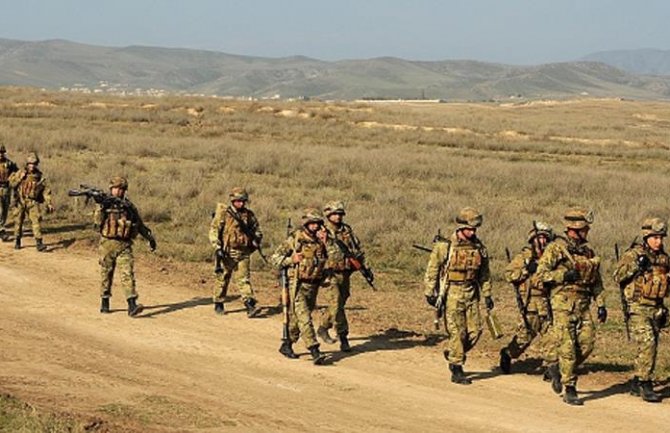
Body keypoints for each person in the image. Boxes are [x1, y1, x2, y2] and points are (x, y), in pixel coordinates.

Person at [536, 207, 606, 406]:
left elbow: (597, 281)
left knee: (587, 343)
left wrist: (601, 304)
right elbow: (540, 275)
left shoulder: (587, 251)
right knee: (567, 347)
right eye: (585, 228)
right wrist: (562, 276)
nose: (587, 232)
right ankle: (570, 387)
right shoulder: (556, 248)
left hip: (583, 304)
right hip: (562, 304)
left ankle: (557, 369)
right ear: (575, 228)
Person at [423, 207, 494, 385]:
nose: (472, 232)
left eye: (474, 229)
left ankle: (455, 352)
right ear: (460, 228)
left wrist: (487, 294)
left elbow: (484, 273)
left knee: (475, 331)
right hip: (452, 293)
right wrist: (430, 291)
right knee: (457, 332)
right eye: (469, 229)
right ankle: (456, 367)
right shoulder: (445, 246)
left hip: (471, 293)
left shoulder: (479, 247)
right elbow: (432, 269)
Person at [613, 217, 668, 403]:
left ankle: (637, 381)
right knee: (647, 343)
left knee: (651, 346)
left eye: (661, 238)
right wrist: (637, 266)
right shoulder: (634, 254)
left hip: (656, 308)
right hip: (637, 307)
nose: (659, 241)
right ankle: (645, 384)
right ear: (646, 237)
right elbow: (617, 276)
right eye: (655, 237)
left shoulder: (663, 257)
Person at [271, 208, 330, 365]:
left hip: (313, 285)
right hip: (296, 285)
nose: (315, 226)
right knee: (305, 319)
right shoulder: (295, 239)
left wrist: (325, 243)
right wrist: (291, 259)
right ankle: (314, 350)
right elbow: (275, 258)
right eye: (312, 223)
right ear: (306, 224)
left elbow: (327, 260)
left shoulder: (320, 240)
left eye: (317, 223)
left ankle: (287, 344)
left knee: (298, 319)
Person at [95, 176, 156, 317]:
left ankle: (132, 304)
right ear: (111, 189)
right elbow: (97, 223)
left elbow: (139, 225)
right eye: (116, 188)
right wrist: (101, 207)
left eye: (121, 189)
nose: (118, 192)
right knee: (106, 274)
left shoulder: (129, 207)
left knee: (127, 274)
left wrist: (150, 238)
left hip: (124, 245)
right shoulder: (105, 204)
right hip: (107, 244)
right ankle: (105, 301)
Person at [499, 222, 555, 374]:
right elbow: (508, 275)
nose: (543, 241)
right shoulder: (523, 257)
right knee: (524, 339)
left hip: (547, 303)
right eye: (540, 238)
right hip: (529, 305)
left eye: (545, 238)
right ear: (532, 240)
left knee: (552, 338)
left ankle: (552, 369)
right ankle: (507, 354)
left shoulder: (552, 259)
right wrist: (526, 270)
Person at [318, 200, 368, 352]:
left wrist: (362, 265)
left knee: (341, 300)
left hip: (345, 272)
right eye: (335, 214)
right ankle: (343, 336)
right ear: (328, 215)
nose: (338, 217)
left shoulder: (346, 229)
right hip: (329, 273)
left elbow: (356, 248)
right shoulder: (322, 230)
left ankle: (323, 326)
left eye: (340, 214)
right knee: (336, 304)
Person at [208, 187, 263, 317]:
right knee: (222, 278)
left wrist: (256, 240)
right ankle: (219, 302)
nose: (241, 204)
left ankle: (249, 304)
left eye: (243, 201)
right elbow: (214, 230)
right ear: (233, 201)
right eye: (238, 201)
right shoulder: (224, 214)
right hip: (227, 252)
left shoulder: (249, 215)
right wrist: (217, 247)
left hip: (243, 252)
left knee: (244, 279)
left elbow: (257, 231)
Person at [9, 152, 53, 251]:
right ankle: (17, 240)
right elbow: (12, 184)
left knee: (36, 221)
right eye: (30, 163)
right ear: (27, 164)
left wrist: (49, 203)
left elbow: (46, 191)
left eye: (34, 164)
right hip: (20, 201)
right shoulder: (20, 173)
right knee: (18, 222)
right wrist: (20, 178)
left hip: (32, 202)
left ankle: (39, 243)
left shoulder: (39, 176)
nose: (32, 166)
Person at [0, 144, 18, 241]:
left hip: (6, 188)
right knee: (0, 209)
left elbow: (17, 173)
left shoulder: (10, 164)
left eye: (2, 152)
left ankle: (1, 226)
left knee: (5, 209)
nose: (1, 154)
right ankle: (1, 230)